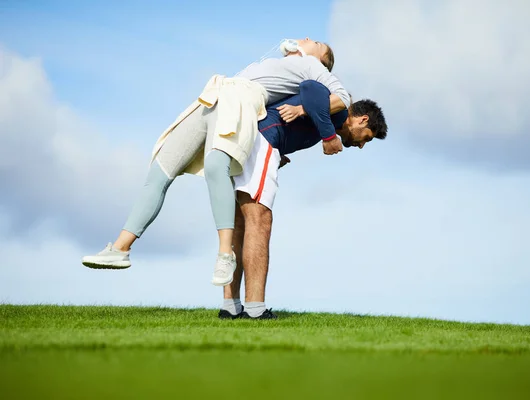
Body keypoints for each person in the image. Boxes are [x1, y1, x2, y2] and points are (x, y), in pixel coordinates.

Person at [82, 38, 351, 288]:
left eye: (316, 42)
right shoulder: (277, 63)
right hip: (214, 96)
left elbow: (343, 98)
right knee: (161, 168)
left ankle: (225, 255)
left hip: (240, 102)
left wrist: (315, 120)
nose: (307, 38)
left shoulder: (311, 66)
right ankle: (119, 249)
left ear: (321, 58)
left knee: (215, 167)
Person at [218, 80, 388, 319]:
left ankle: (230, 307)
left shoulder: (325, 116)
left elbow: (299, 108)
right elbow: (310, 87)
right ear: (363, 120)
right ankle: (255, 310)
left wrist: (282, 153)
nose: (361, 145)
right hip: (262, 141)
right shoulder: (339, 109)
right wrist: (329, 135)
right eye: (366, 138)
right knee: (260, 218)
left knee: (241, 221)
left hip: (249, 140)